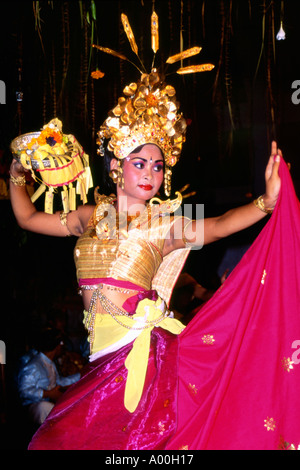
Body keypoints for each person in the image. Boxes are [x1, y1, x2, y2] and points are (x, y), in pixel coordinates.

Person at [8, 15, 300, 450]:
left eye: (158, 165)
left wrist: (265, 203)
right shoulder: (89, 215)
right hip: (100, 362)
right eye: (139, 162)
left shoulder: (165, 222)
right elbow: (28, 219)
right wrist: (16, 177)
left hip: (141, 359)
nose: (150, 173)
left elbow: (217, 226)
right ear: (115, 167)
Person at [17, 328, 80, 426]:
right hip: (35, 406)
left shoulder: (49, 363)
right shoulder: (33, 365)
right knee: (44, 407)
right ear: (58, 346)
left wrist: (81, 375)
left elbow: (60, 381)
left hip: (49, 403)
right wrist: (47, 394)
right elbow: (24, 391)